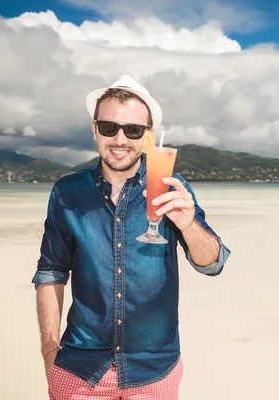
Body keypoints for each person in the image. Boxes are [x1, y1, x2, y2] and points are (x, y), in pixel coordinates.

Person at [31, 74, 231, 400]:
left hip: (153, 370)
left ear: (147, 137)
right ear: (94, 129)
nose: (120, 138)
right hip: (81, 369)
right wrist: (49, 351)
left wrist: (188, 224)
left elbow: (213, 264)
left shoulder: (169, 185)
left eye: (133, 130)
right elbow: (51, 273)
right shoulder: (68, 192)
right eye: (110, 127)